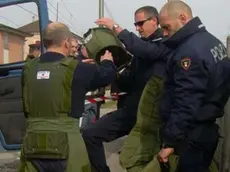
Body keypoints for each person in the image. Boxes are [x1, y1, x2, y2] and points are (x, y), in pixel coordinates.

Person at [82, 6, 170, 172]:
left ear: (154, 21)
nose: (137, 28)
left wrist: (115, 28)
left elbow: (145, 50)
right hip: (132, 112)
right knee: (90, 134)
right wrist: (108, 67)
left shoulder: (164, 44)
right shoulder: (141, 48)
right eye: (135, 24)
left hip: (153, 118)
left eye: (140, 23)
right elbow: (128, 81)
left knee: (148, 160)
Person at [19, 22, 116, 172]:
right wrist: (107, 62)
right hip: (67, 144)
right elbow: (107, 76)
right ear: (66, 42)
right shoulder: (78, 69)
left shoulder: (28, 69)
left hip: (32, 144)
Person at [157, 1, 230, 172]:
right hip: (207, 128)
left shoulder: (188, 51)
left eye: (166, 27)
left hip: (192, 135)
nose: (165, 34)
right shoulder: (211, 41)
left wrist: (170, 142)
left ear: (183, 18)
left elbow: (186, 102)